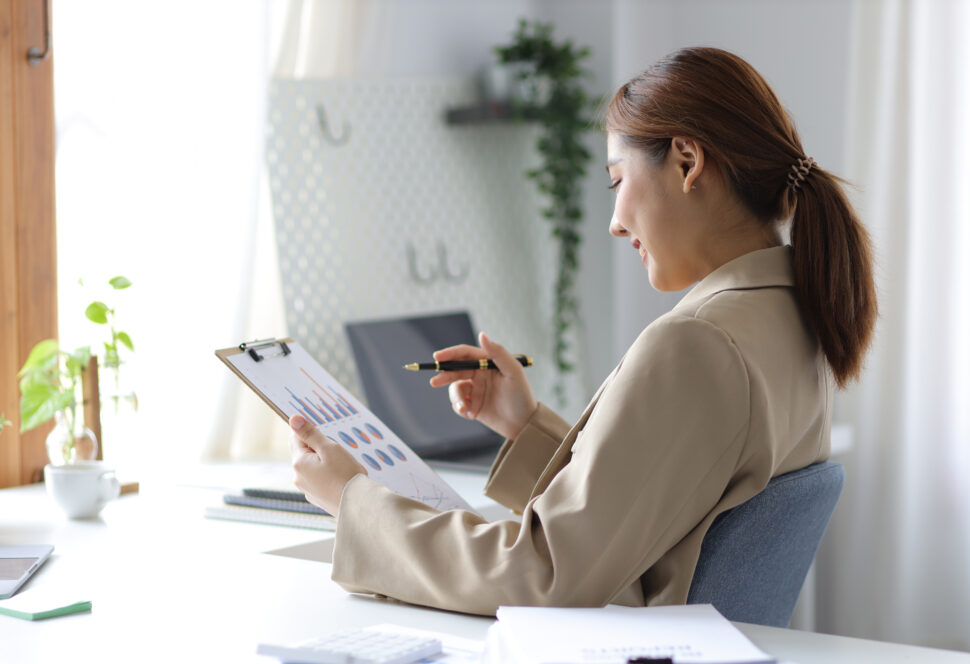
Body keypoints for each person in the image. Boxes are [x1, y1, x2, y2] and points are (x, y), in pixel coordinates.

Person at [289, 47, 877, 616]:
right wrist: (524, 426)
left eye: (617, 181)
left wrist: (353, 503)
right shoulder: (794, 316)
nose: (617, 224)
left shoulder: (699, 343)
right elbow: (655, 509)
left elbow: (542, 576)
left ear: (687, 163)